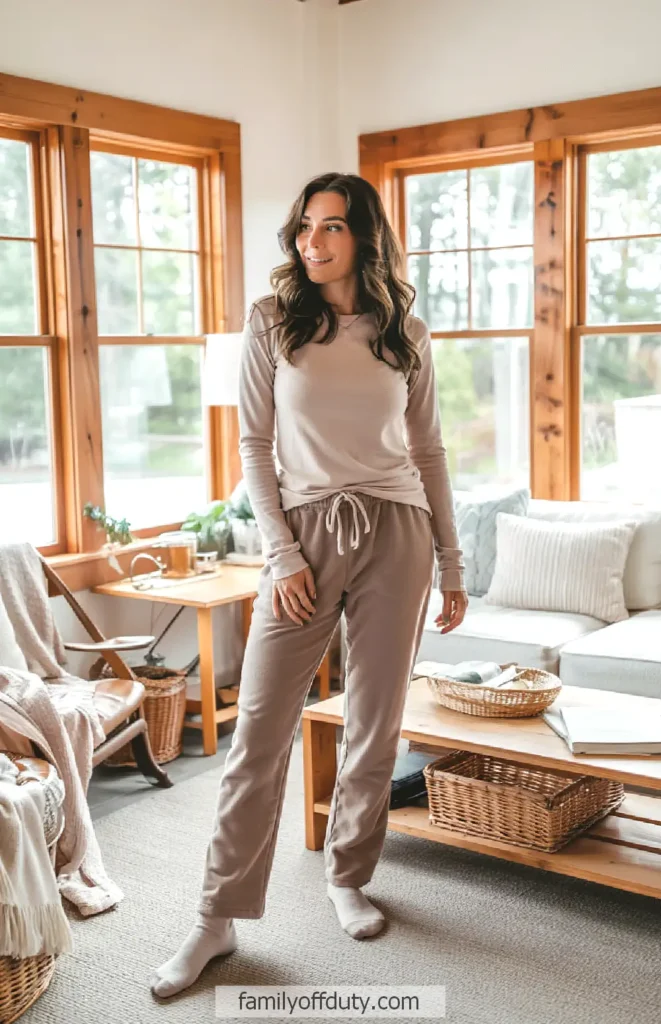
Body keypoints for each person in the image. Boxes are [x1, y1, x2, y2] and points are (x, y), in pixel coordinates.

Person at [150, 172, 468, 998]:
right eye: (303, 227)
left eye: (330, 227)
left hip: (397, 532)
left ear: (364, 236)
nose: (311, 242)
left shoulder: (406, 332)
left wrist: (451, 563)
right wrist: (282, 554)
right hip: (305, 535)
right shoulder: (272, 320)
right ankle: (216, 916)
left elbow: (428, 450)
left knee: (374, 722)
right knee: (260, 728)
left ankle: (347, 875)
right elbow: (254, 446)